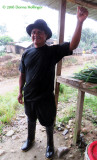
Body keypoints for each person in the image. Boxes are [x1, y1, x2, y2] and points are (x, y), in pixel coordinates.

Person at [18, 6, 88, 160]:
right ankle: (30, 139)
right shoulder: (26, 54)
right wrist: (19, 91)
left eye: (39, 32)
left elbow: (72, 45)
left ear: (46, 35)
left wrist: (79, 22)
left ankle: (50, 144)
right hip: (29, 97)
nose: (36, 35)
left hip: (45, 98)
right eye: (33, 32)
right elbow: (22, 73)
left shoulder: (52, 52)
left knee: (48, 122)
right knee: (30, 119)